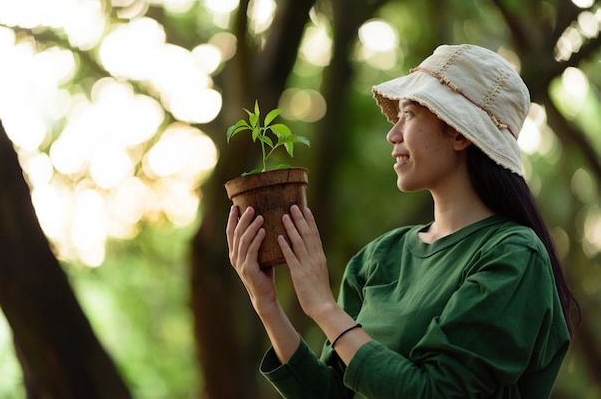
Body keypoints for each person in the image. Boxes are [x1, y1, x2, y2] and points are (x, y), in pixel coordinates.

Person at [226, 44, 578, 398]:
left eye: (408, 114)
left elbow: (437, 393)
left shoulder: (513, 255)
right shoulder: (378, 257)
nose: (392, 135)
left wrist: (324, 307)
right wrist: (267, 304)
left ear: (458, 132)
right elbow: (334, 394)